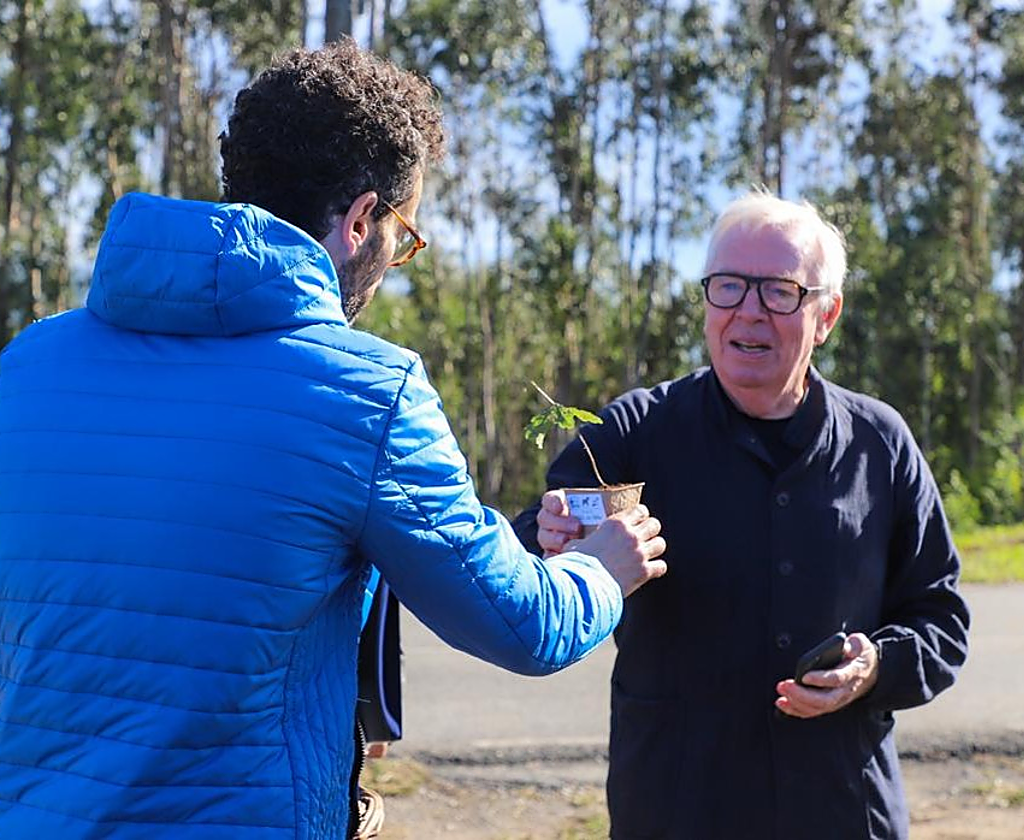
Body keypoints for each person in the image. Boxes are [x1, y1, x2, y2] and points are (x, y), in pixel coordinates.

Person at [0, 41, 665, 839]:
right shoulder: (364, 390)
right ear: (360, 219)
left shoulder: (30, 360)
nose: (394, 263)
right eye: (405, 234)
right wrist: (600, 570)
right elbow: (520, 624)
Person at [515, 191, 970, 840]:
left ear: (826, 315)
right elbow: (532, 545)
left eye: (779, 290)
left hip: (842, 809)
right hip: (677, 809)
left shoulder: (881, 444)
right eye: (727, 287)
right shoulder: (635, 432)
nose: (747, 312)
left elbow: (941, 618)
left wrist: (876, 666)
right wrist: (546, 535)